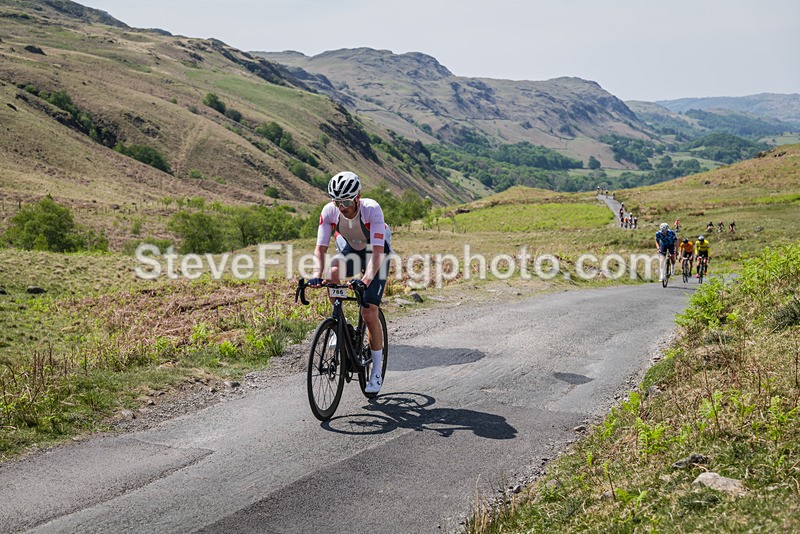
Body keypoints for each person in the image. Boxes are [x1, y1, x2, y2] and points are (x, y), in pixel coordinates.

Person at [309, 171, 391, 394]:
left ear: (357, 197)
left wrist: (365, 280)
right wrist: (317, 273)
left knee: (369, 312)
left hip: (377, 254)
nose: (341, 206)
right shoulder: (330, 211)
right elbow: (321, 248)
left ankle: (375, 369)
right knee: (332, 270)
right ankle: (339, 326)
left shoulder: (371, 209)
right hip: (351, 251)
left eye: (345, 201)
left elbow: (376, 252)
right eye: (337, 201)